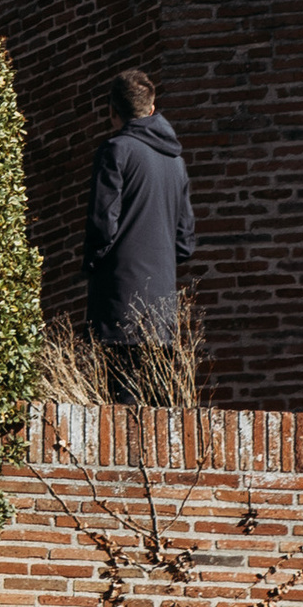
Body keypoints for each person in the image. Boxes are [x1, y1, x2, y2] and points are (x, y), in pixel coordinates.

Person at [83, 64, 193, 382]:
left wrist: (93, 264)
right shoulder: (177, 164)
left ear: (111, 110)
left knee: (117, 413)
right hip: (161, 316)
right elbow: (185, 244)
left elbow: (102, 226)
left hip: (117, 304)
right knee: (154, 416)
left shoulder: (115, 152)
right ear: (152, 108)